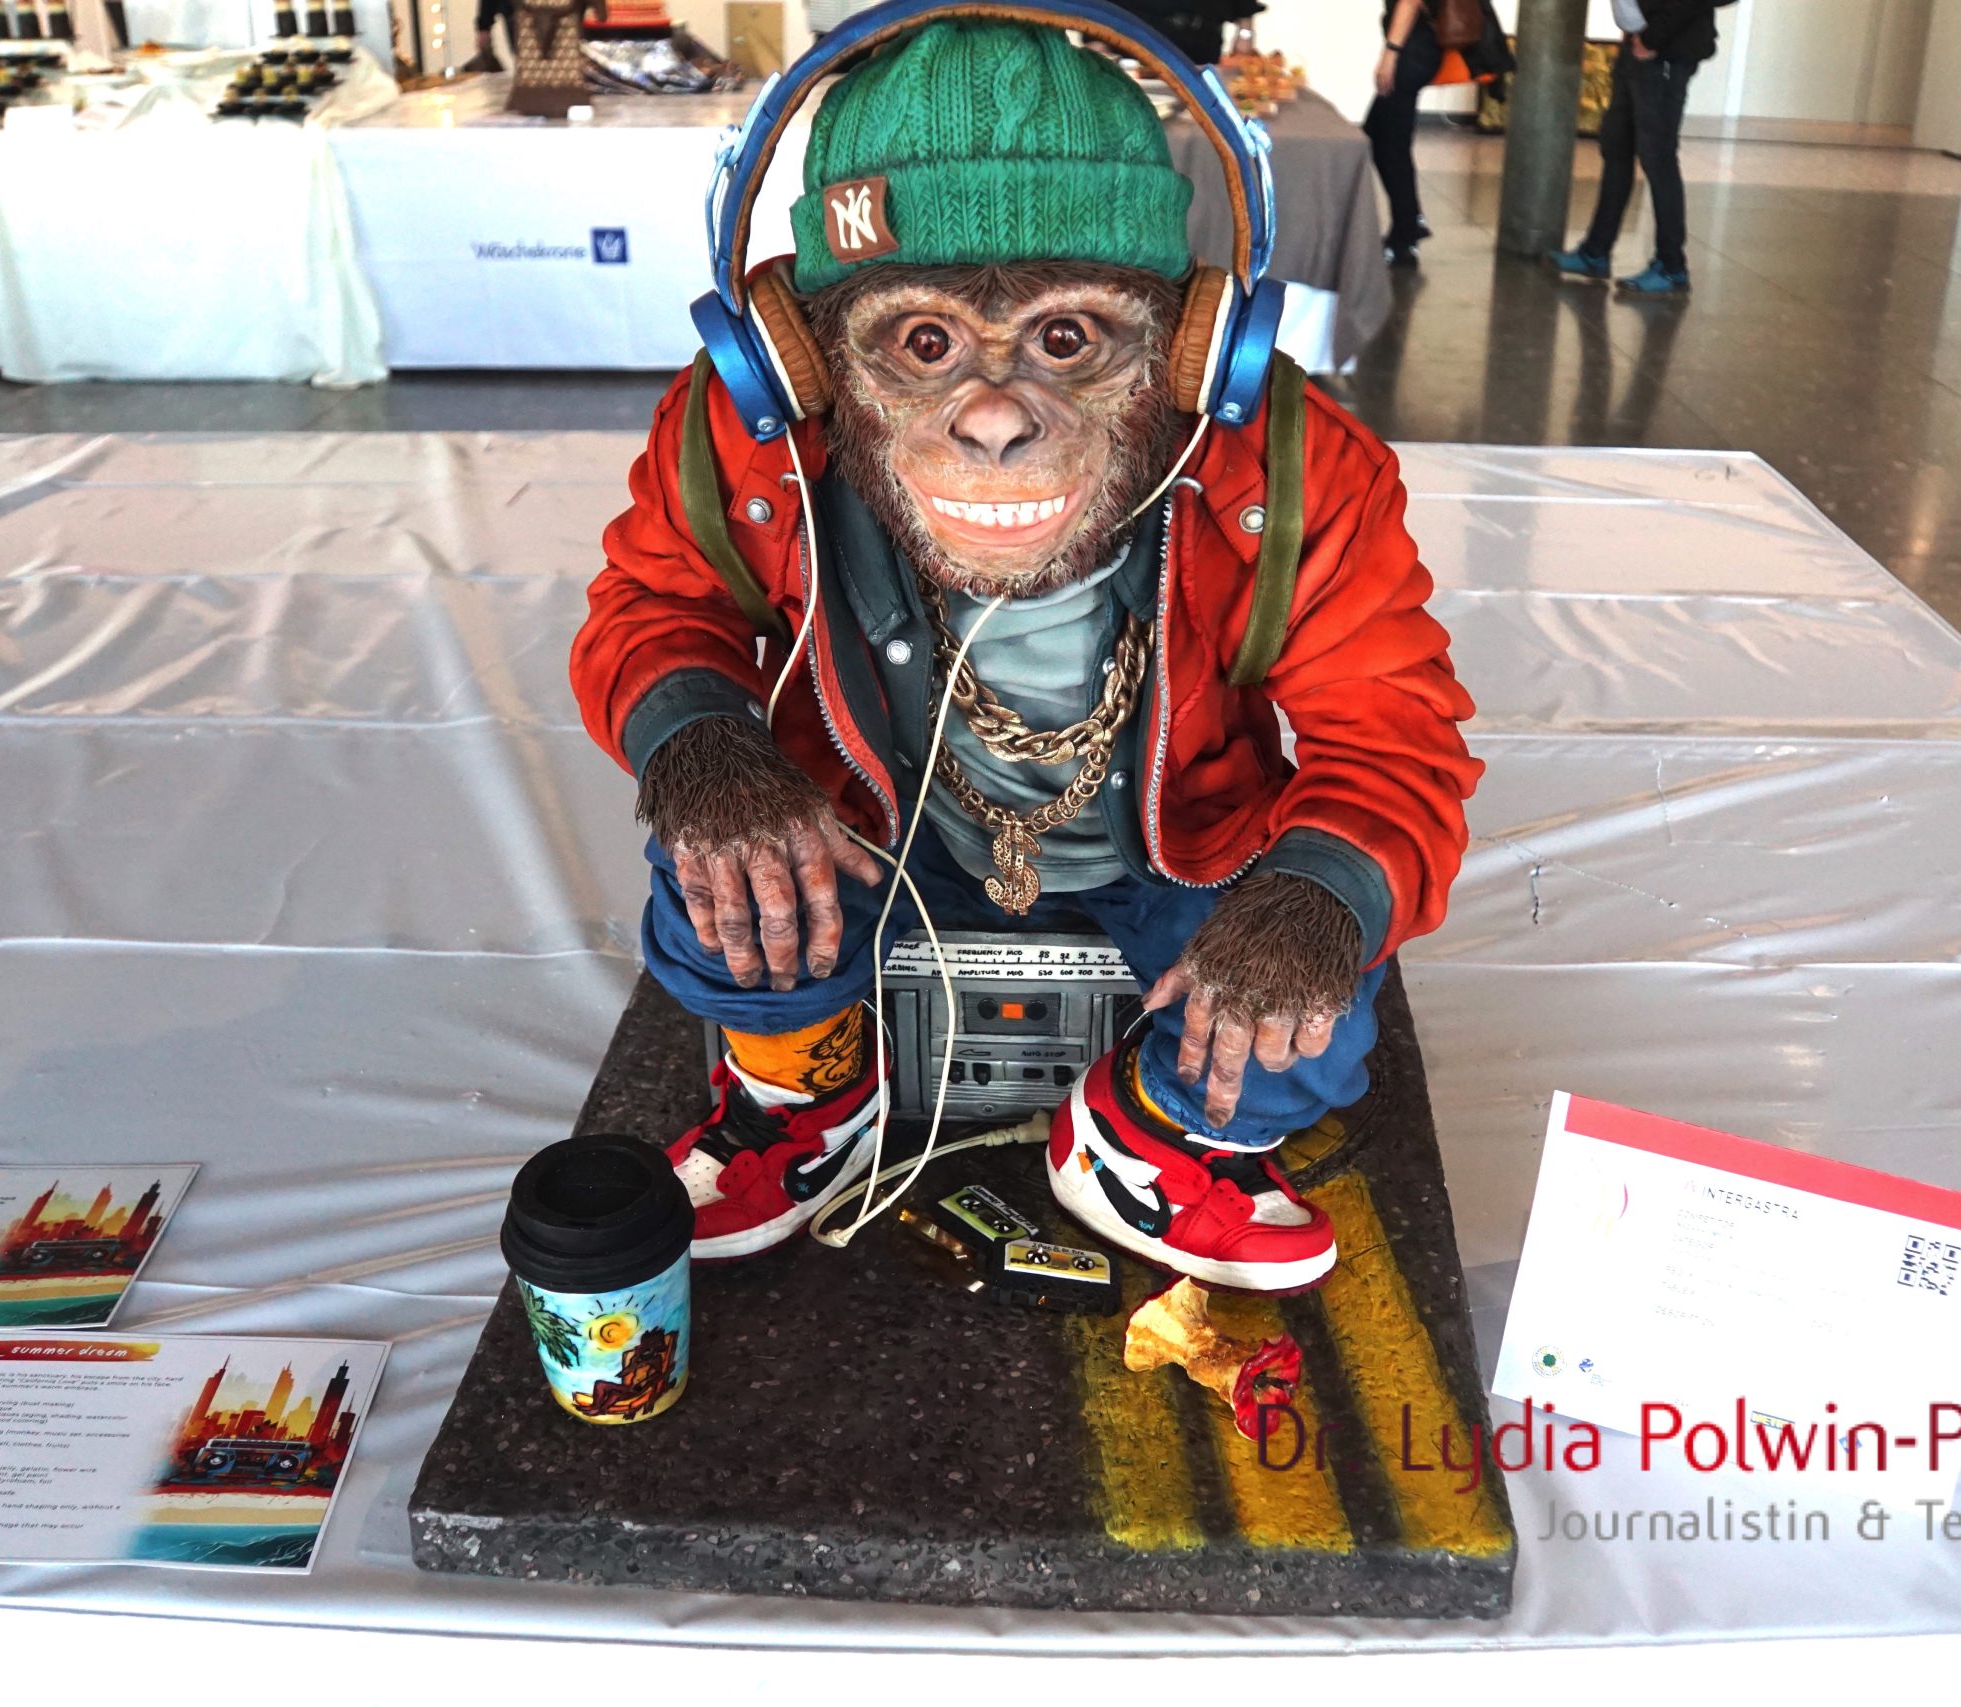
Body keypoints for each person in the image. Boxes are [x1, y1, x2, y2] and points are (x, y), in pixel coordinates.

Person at [570, 19, 1480, 1290]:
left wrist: (1318, 894)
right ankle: (804, 1096)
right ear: (807, 359)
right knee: (726, 867)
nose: (993, 418)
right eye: (922, 343)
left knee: (1308, 1011)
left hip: (1179, 839)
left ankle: (1156, 1135)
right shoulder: (742, 434)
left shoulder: (1287, 458)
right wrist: (705, 747)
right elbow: (652, 609)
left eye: (1066, 339)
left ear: (1187, 349)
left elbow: (1391, 733)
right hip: (874, 823)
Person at [1547, 0, 1724, 295]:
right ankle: (1595, 252)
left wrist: (1653, 37)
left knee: (1658, 159)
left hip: (1663, 52)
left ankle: (1671, 267)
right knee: (1616, 147)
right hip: (1635, 48)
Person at [1363, 0, 1443, 267]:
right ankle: (1410, 221)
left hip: (1411, 52)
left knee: (1389, 142)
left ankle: (1406, 235)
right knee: (1380, 135)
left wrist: (1391, 54)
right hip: (1415, 50)